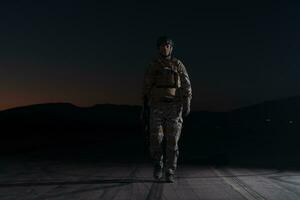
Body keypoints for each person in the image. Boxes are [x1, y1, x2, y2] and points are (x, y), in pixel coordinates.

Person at [142, 36, 192, 183]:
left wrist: (187, 101)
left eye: (168, 45)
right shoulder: (154, 65)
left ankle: (170, 170)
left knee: (172, 140)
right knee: (155, 139)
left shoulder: (177, 64)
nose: (165, 48)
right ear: (159, 48)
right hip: (156, 106)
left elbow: (186, 84)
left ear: (171, 48)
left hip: (174, 106)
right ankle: (158, 163)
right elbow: (146, 86)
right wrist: (144, 105)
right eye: (162, 46)